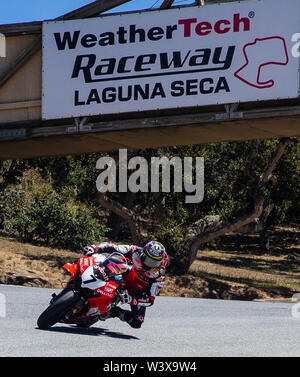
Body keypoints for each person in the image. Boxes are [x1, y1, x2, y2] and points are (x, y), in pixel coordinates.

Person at [81, 240, 168, 329]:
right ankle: (91, 280)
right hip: (123, 274)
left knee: (137, 322)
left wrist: (132, 299)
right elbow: (113, 247)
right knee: (111, 260)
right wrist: (95, 248)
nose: (151, 265)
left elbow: (150, 300)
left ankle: (114, 312)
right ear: (143, 254)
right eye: (149, 261)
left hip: (137, 291)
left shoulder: (159, 275)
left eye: (155, 263)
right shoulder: (135, 251)